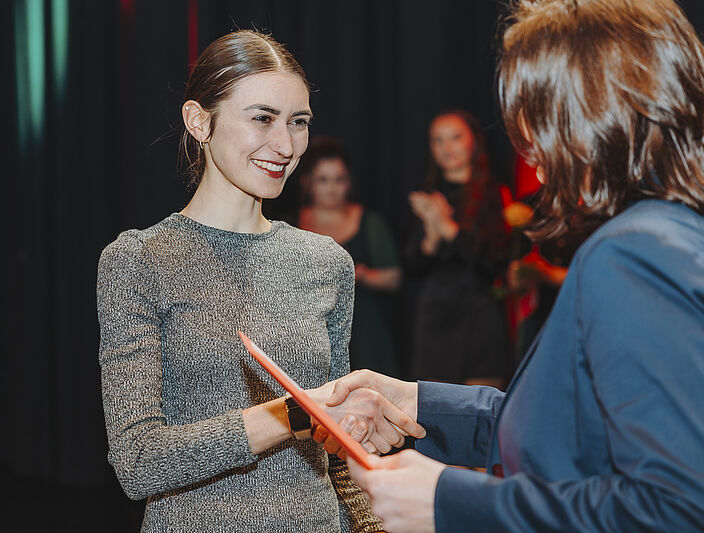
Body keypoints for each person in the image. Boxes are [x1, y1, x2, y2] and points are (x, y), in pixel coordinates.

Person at [316, 0, 704, 530]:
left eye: (537, 121)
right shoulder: (664, 232)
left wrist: (447, 500)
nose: (533, 157)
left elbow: (676, 509)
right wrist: (413, 400)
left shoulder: (635, 252)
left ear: (591, 115)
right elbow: (558, 431)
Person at [96, 30, 422, 532]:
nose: (286, 145)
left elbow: (339, 454)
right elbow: (139, 462)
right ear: (199, 121)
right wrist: (291, 415)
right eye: (262, 118)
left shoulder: (325, 262)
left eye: (298, 122)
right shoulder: (140, 261)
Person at [406, 110, 511, 388]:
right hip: (437, 316)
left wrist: (447, 228)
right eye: (438, 140)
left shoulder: (495, 194)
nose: (447, 147)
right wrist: (431, 235)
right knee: (438, 407)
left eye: (455, 137)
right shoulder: (428, 195)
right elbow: (411, 266)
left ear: (473, 140)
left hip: (481, 314)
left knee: (483, 405)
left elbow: (494, 263)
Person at [294, 136, 402, 376]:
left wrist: (362, 275)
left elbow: (394, 277)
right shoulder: (291, 223)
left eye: (339, 179)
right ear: (307, 183)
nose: (332, 188)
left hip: (363, 332)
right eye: (323, 180)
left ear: (349, 182)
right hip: (308, 332)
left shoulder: (369, 222)